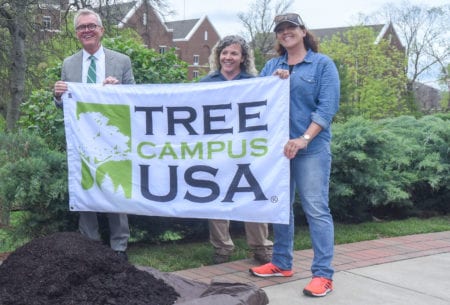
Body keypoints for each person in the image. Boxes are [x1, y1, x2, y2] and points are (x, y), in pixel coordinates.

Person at [248, 13, 340, 298]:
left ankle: (323, 275)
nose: (286, 33)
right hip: (278, 151)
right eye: (281, 30)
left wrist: (303, 139)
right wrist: (274, 83)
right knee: (279, 207)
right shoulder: (271, 66)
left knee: (315, 209)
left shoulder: (323, 65)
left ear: (303, 31)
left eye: (291, 28)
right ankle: (281, 263)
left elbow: (326, 109)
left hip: (311, 148)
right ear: (277, 36)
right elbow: (255, 100)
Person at [53, 8, 135, 261]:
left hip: (112, 137)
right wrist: (57, 95)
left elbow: (135, 97)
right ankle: (89, 245)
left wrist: (118, 90)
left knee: (116, 188)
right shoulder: (69, 63)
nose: (86, 31)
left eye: (91, 26)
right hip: (82, 140)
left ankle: (119, 247)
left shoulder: (121, 61)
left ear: (101, 30)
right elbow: (64, 103)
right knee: (84, 187)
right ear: (77, 33)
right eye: (81, 28)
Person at [200, 35, 273, 265]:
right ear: (218, 55)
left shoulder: (255, 84)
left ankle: (261, 247)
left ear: (243, 58)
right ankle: (222, 248)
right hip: (217, 150)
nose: (228, 57)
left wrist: (280, 80)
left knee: (253, 195)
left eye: (234, 53)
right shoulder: (205, 84)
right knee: (217, 196)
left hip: (247, 149)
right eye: (224, 53)